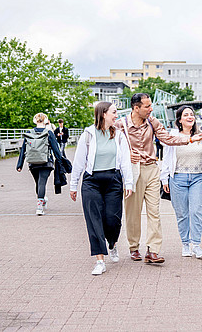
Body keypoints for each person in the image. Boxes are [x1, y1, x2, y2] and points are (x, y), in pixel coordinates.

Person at [115, 93, 202, 264]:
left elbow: (167, 138)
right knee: (133, 212)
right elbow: (111, 146)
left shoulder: (152, 122)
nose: (151, 109)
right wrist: (127, 154)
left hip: (151, 169)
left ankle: (153, 250)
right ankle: (134, 246)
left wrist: (190, 139)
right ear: (136, 108)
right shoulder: (121, 125)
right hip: (132, 171)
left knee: (154, 212)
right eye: (147, 106)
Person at [70, 102, 133, 275]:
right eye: (114, 112)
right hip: (92, 181)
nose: (117, 115)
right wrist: (73, 185)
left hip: (113, 180)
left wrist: (129, 182)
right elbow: (78, 161)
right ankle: (99, 260)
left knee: (113, 219)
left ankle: (112, 243)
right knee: (94, 220)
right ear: (103, 114)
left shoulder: (119, 135)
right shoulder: (88, 135)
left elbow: (126, 161)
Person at [161, 106, 202, 259]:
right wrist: (164, 178)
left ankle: (196, 244)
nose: (190, 117)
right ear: (179, 119)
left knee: (196, 211)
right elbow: (167, 157)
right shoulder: (173, 136)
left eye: (191, 114)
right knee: (182, 213)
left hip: (198, 177)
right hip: (178, 177)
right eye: (185, 115)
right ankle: (185, 244)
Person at [16, 113, 63, 215]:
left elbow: (23, 149)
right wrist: (60, 160)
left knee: (38, 183)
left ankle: (41, 200)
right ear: (46, 121)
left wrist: (19, 165)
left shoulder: (29, 133)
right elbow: (56, 149)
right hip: (46, 161)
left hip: (33, 162)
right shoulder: (49, 133)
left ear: (35, 120)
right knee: (42, 183)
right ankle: (39, 206)